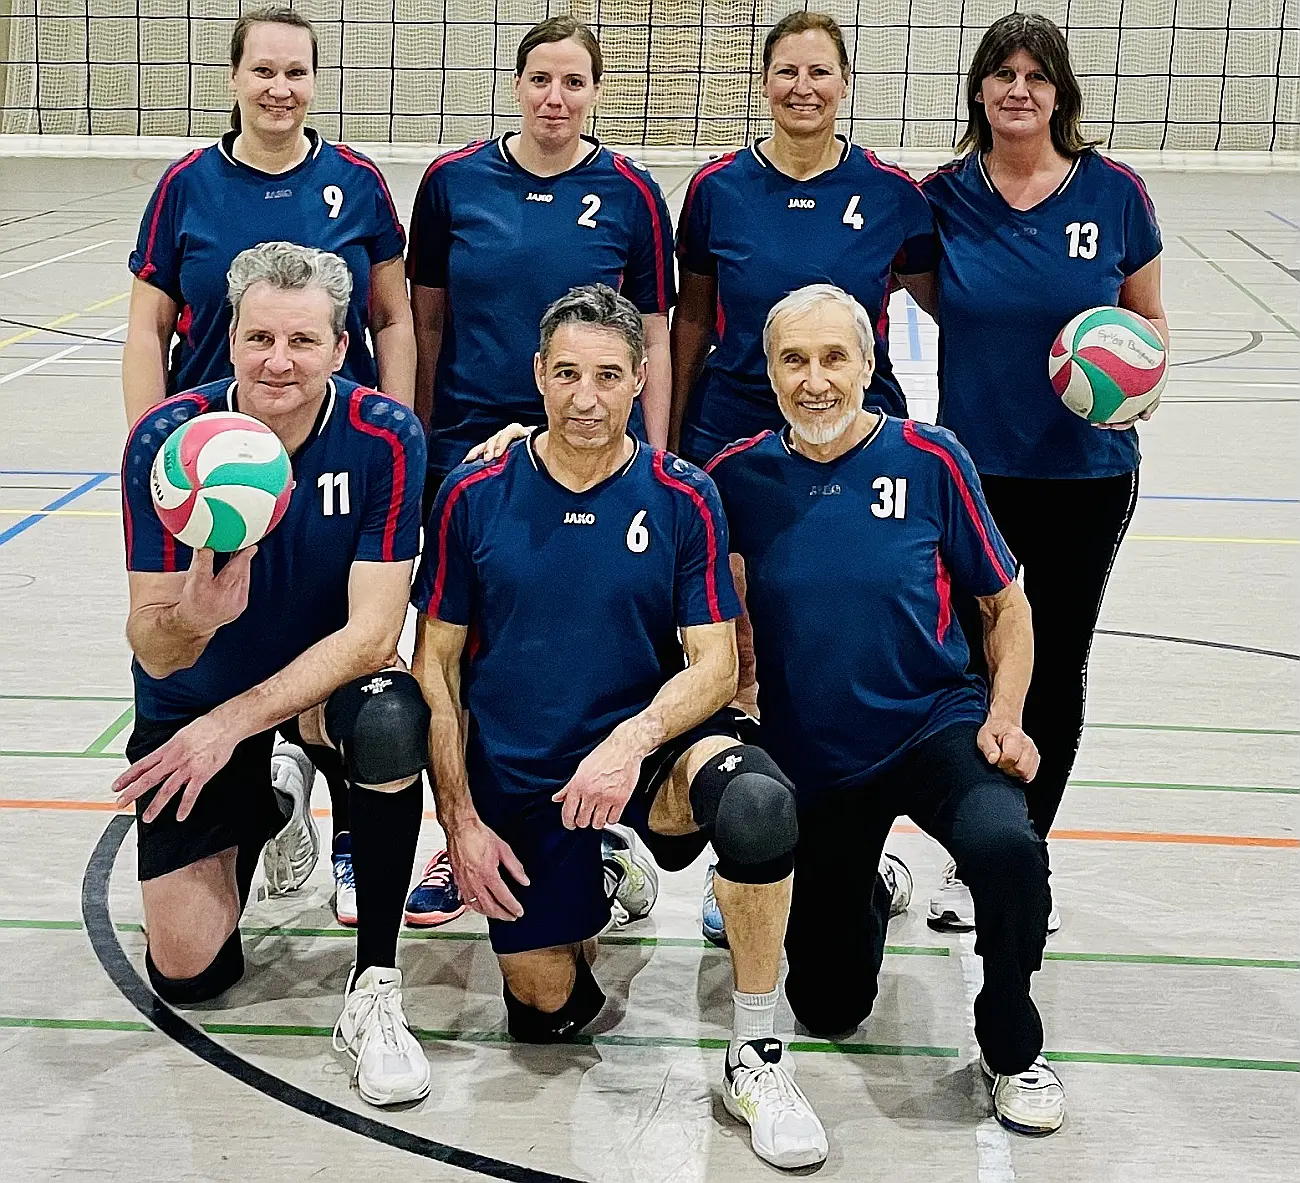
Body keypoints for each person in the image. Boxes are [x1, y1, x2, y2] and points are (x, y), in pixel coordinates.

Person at [411, 284, 828, 1170]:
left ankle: (756, 1052)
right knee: (547, 1013)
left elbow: (715, 663)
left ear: (642, 378)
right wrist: (460, 823)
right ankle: (593, 870)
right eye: (566, 373)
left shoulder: (683, 494)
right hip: (524, 775)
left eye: (608, 374)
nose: (586, 398)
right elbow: (434, 667)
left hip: (648, 750)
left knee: (756, 802)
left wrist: (628, 743)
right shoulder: (473, 492)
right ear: (537, 374)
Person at [705, 284, 1065, 1136]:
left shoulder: (930, 459)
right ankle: (863, 884)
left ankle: (1012, 1043)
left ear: (872, 363)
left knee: (1007, 848)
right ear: (770, 371)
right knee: (828, 1008)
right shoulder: (737, 476)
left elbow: (1005, 605)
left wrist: (1005, 713)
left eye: (836, 357)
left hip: (935, 725)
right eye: (795, 359)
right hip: (818, 758)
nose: (816, 379)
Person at [113, 242, 431, 1108]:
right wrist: (195, 618)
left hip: (321, 695)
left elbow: (373, 634)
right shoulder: (168, 444)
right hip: (196, 700)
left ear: (340, 347)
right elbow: (150, 645)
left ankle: (374, 985)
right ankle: (273, 803)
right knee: (188, 971)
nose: (277, 362)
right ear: (228, 339)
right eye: (258, 338)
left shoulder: (385, 438)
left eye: (302, 341)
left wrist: (235, 724)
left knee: (393, 714)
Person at [122, 5, 415, 923]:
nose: (279, 89)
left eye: (296, 72)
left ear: (315, 82)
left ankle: (343, 824)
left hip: (326, 449)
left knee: (360, 666)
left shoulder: (357, 183)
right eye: (263, 71)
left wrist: (398, 419)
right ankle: (272, 795)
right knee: (189, 967)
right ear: (236, 78)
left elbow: (394, 317)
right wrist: (160, 453)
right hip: (218, 456)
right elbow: (145, 324)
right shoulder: (186, 186)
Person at [403, 14, 676, 927]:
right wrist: (425, 439)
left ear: (596, 93)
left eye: (574, 83)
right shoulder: (452, 183)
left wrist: (657, 448)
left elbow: (658, 336)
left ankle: (597, 835)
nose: (555, 99)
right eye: (539, 81)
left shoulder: (632, 193)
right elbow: (426, 322)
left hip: (597, 439)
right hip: (471, 440)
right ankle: (460, 833)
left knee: (588, 640)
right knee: (467, 654)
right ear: (515, 85)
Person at [905, 12, 1168, 933]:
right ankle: (977, 843)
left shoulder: (1114, 194)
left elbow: (1149, 323)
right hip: (976, 474)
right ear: (978, 90)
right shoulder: (945, 199)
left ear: (1062, 92)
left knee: (1054, 665)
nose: (1019, 89)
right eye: (1002, 74)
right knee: (974, 665)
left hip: (1087, 475)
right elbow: (940, 302)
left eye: (1037, 75)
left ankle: (1021, 856)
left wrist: (1134, 384)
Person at [670, 10, 937, 465]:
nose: (803, 88)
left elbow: (956, 311)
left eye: (820, 72)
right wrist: (670, 434)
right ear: (765, 81)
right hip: (735, 418)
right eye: (787, 72)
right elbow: (693, 319)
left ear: (845, 81)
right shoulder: (717, 188)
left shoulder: (890, 193)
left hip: (854, 416)